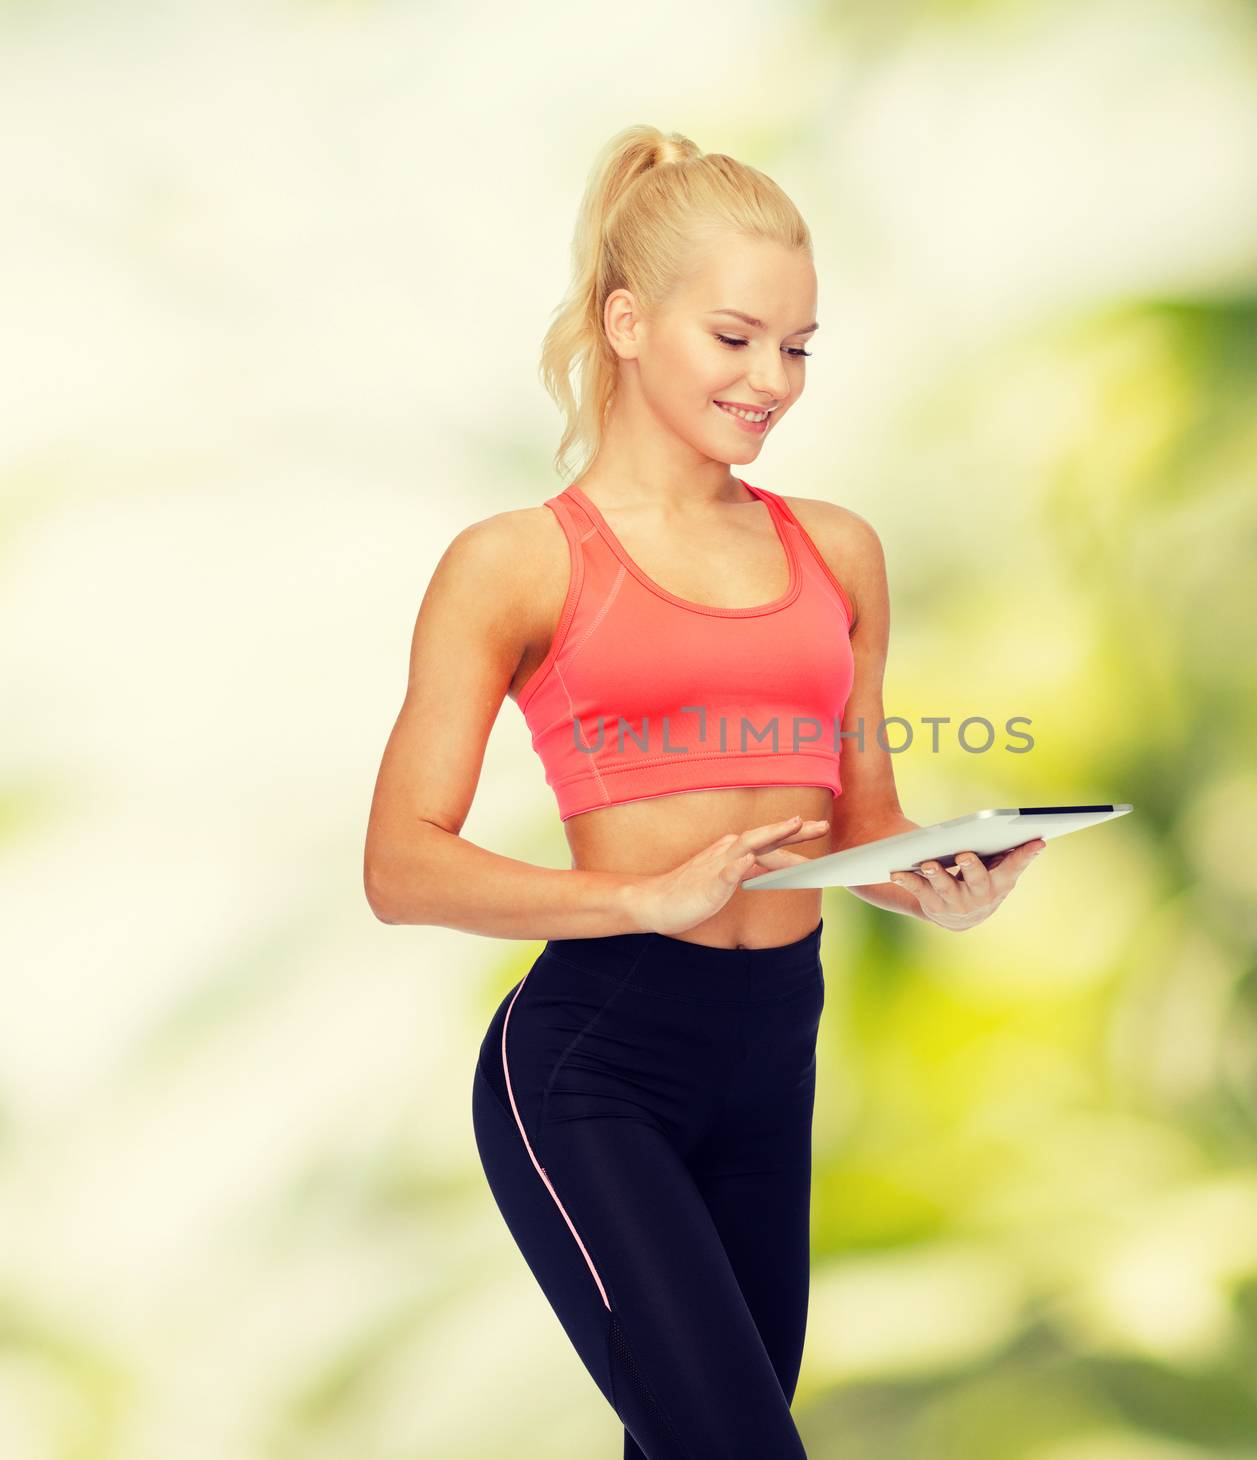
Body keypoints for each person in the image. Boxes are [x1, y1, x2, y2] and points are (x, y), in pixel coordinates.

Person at [363, 123, 1048, 1460]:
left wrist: (943, 881)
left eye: (796, 347)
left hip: (770, 1047)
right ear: (627, 320)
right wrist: (638, 893)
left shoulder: (836, 550)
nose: (772, 381)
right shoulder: (516, 564)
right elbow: (400, 864)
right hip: (595, 1058)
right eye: (734, 338)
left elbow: (865, 828)